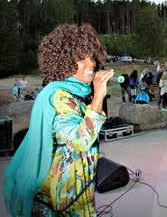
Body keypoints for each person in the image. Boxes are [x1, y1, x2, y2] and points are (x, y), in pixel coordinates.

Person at [4, 24, 112, 216]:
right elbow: (80, 140)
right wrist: (98, 97)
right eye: (82, 58)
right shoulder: (61, 97)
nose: (92, 63)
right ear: (64, 62)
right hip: (67, 194)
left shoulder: (67, 92)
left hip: (68, 186)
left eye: (91, 56)